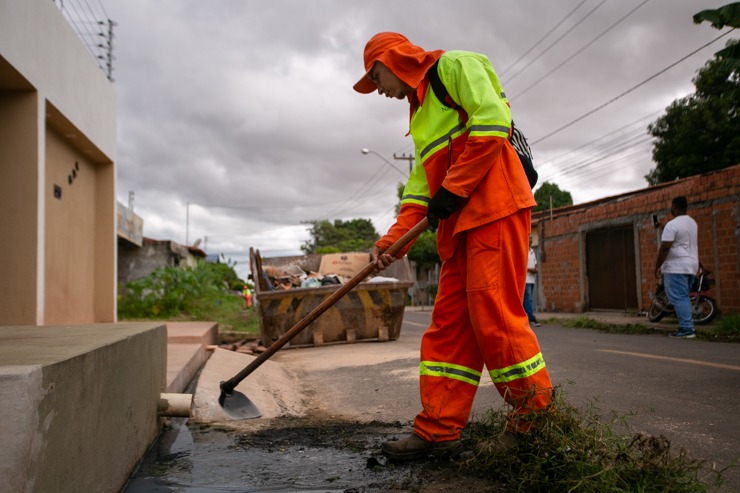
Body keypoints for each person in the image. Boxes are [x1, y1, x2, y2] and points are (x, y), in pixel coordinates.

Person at [354, 32, 552, 461]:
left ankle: (535, 426)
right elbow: (421, 189)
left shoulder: (455, 66)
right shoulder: (421, 114)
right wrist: (391, 244)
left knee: (494, 316)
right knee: (449, 328)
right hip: (459, 228)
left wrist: (454, 188)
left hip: (495, 209)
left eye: (376, 77)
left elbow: (493, 122)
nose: (380, 90)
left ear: (392, 60)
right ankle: (438, 429)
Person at [654, 196, 699, 338]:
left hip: (676, 267)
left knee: (679, 298)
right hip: (691, 265)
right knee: (683, 297)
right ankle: (687, 326)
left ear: (674, 206)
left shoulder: (672, 225)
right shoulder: (692, 223)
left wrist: (657, 266)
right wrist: (662, 226)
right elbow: (681, 236)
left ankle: (687, 329)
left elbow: (665, 247)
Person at [523, 236, 540, 327]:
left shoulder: (532, 252)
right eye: (528, 238)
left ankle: (524, 319)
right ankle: (532, 319)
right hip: (525, 280)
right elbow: (521, 266)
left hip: (532, 279)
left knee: (526, 300)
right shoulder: (523, 250)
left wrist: (535, 269)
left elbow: (536, 264)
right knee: (528, 300)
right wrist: (530, 270)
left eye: (531, 239)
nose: (530, 240)